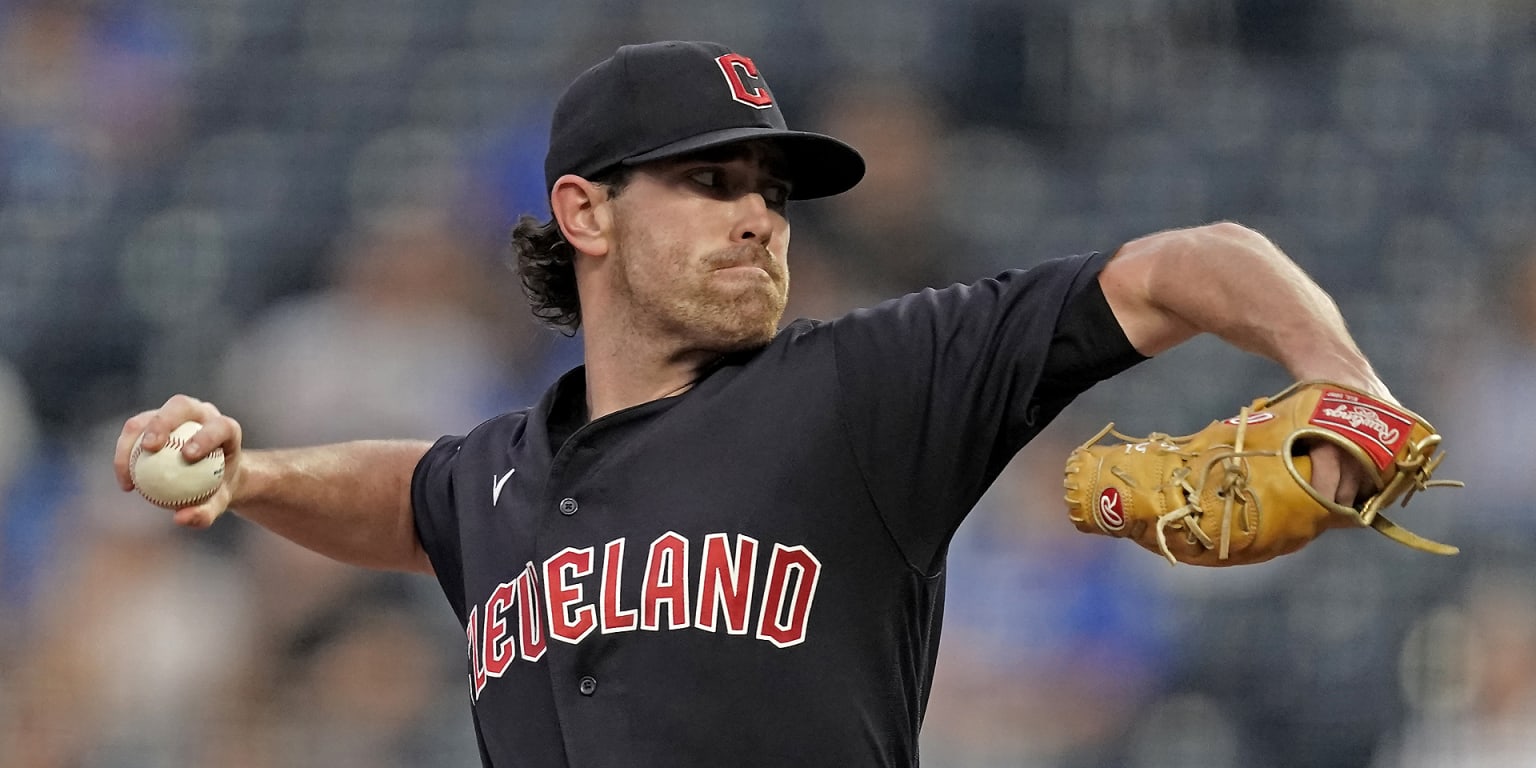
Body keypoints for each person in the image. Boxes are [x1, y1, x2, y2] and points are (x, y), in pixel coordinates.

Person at [113, 40, 1393, 767]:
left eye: (772, 193)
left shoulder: (867, 390)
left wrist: (1343, 380)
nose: (758, 218)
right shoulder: (499, 475)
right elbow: (412, 497)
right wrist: (255, 475)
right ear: (584, 211)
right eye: (713, 180)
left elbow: (1184, 265)